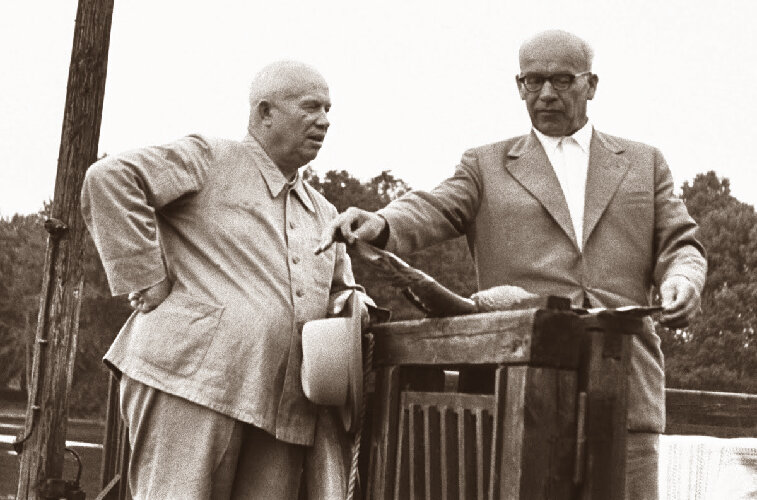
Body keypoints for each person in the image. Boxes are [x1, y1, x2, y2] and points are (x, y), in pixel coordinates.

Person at [317, 30, 707, 499]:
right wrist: (381, 223)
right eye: (533, 80)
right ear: (519, 86)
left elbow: (681, 243)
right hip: (515, 395)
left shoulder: (645, 163)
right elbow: (435, 207)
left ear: (592, 84)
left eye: (562, 80)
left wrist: (683, 278)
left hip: (627, 387)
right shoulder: (486, 165)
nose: (546, 93)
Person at [82, 60, 370, 499]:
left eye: (328, 110)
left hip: (285, 409)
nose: (324, 121)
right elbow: (110, 178)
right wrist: (146, 277)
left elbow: (342, 294)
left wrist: (359, 309)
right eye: (311, 107)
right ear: (265, 112)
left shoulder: (324, 212)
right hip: (191, 383)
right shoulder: (210, 158)